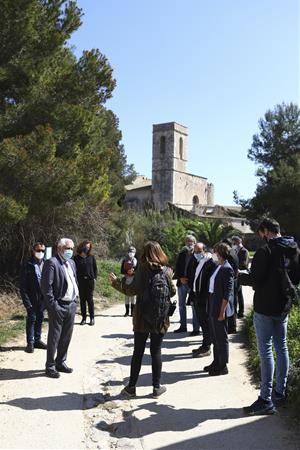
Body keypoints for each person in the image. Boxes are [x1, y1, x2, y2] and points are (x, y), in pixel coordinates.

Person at [243, 218, 300, 415]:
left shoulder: (265, 251)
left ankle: (265, 399)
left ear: (266, 231)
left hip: (265, 308)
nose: (262, 237)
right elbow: (296, 279)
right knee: (281, 347)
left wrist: (240, 275)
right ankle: (280, 393)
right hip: (283, 307)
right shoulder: (294, 249)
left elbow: (255, 279)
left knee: (266, 351)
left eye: (261, 233)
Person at [109, 241, 176, 398]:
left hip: (142, 318)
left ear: (145, 253)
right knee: (156, 352)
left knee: (138, 352)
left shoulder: (143, 268)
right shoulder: (166, 270)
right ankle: (156, 387)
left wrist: (116, 283)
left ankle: (131, 387)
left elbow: (132, 290)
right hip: (161, 318)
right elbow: (172, 292)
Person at [41, 238, 78, 378]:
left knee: (66, 336)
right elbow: (46, 286)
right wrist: (53, 306)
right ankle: (50, 366)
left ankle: (60, 362)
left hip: (71, 305)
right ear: (59, 248)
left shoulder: (72, 262)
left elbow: (74, 281)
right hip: (59, 305)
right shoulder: (52, 263)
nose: (70, 251)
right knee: (54, 337)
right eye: (67, 248)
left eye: (71, 249)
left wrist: (75, 300)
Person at [204, 242, 234, 376]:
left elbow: (228, 293)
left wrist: (222, 311)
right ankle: (216, 361)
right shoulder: (218, 266)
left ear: (220, 253)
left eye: (215, 252)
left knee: (221, 338)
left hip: (220, 308)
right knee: (215, 337)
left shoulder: (227, 268)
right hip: (213, 304)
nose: (214, 254)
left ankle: (223, 366)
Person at [187, 243, 217, 357]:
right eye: (195, 251)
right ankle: (205, 344)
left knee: (206, 323)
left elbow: (209, 283)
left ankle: (207, 347)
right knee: (202, 322)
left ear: (204, 250)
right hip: (197, 296)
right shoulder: (198, 261)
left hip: (204, 299)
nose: (196, 254)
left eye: (199, 251)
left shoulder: (210, 262)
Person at [20, 242, 47, 353]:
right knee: (32, 319)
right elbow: (23, 286)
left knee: (40, 319)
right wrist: (27, 302)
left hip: (43, 297)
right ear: (33, 251)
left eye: (42, 251)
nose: (40, 252)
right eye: (38, 250)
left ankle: (37, 340)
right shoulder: (27, 265)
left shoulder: (47, 264)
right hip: (31, 297)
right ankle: (30, 342)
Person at [173, 235, 200, 335]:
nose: (189, 243)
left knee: (194, 306)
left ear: (194, 243)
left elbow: (198, 270)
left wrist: (189, 280)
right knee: (181, 305)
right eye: (187, 241)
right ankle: (183, 326)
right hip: (181, 283)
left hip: (192, 284)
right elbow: (177, 267)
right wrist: (180, 278)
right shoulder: (182, 254)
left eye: (191, 241)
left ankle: (196, 328)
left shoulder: (197, 255)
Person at [74, 240, 98, 326]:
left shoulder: (91, 257)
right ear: (81, 246)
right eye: (85, 247)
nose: (87, 248)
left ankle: (92, 318)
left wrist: (94, 278)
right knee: (82, 300)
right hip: (80, 282)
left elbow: (95, 269)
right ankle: (84, 318)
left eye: (88, 247)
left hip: (90, 281)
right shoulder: (76, 258)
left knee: (90, 300)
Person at [232, 236, 249, 318]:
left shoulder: (244, 251)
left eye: (234, 243)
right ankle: (237, 311)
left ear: (239, 242)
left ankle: (240, 311)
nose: (233, 244)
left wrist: (237, 269)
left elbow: (244, 263)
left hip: (240, 274)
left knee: (237, 293)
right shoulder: (234, 250)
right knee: (238, 293)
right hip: (234, 274)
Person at [121, 246, 138, 317]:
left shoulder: (136, 261)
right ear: (128, 253)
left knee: (133, 297)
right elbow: (121, 270)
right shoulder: (124, 260)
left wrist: (133, 272)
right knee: (127, 296)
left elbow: (138, 270)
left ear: (135, 253)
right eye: (130, 252)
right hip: (127, 279)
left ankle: (132, 312)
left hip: (134, 280)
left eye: (133, 252)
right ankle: (127, 312)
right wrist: (127, 271)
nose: (131, 253)